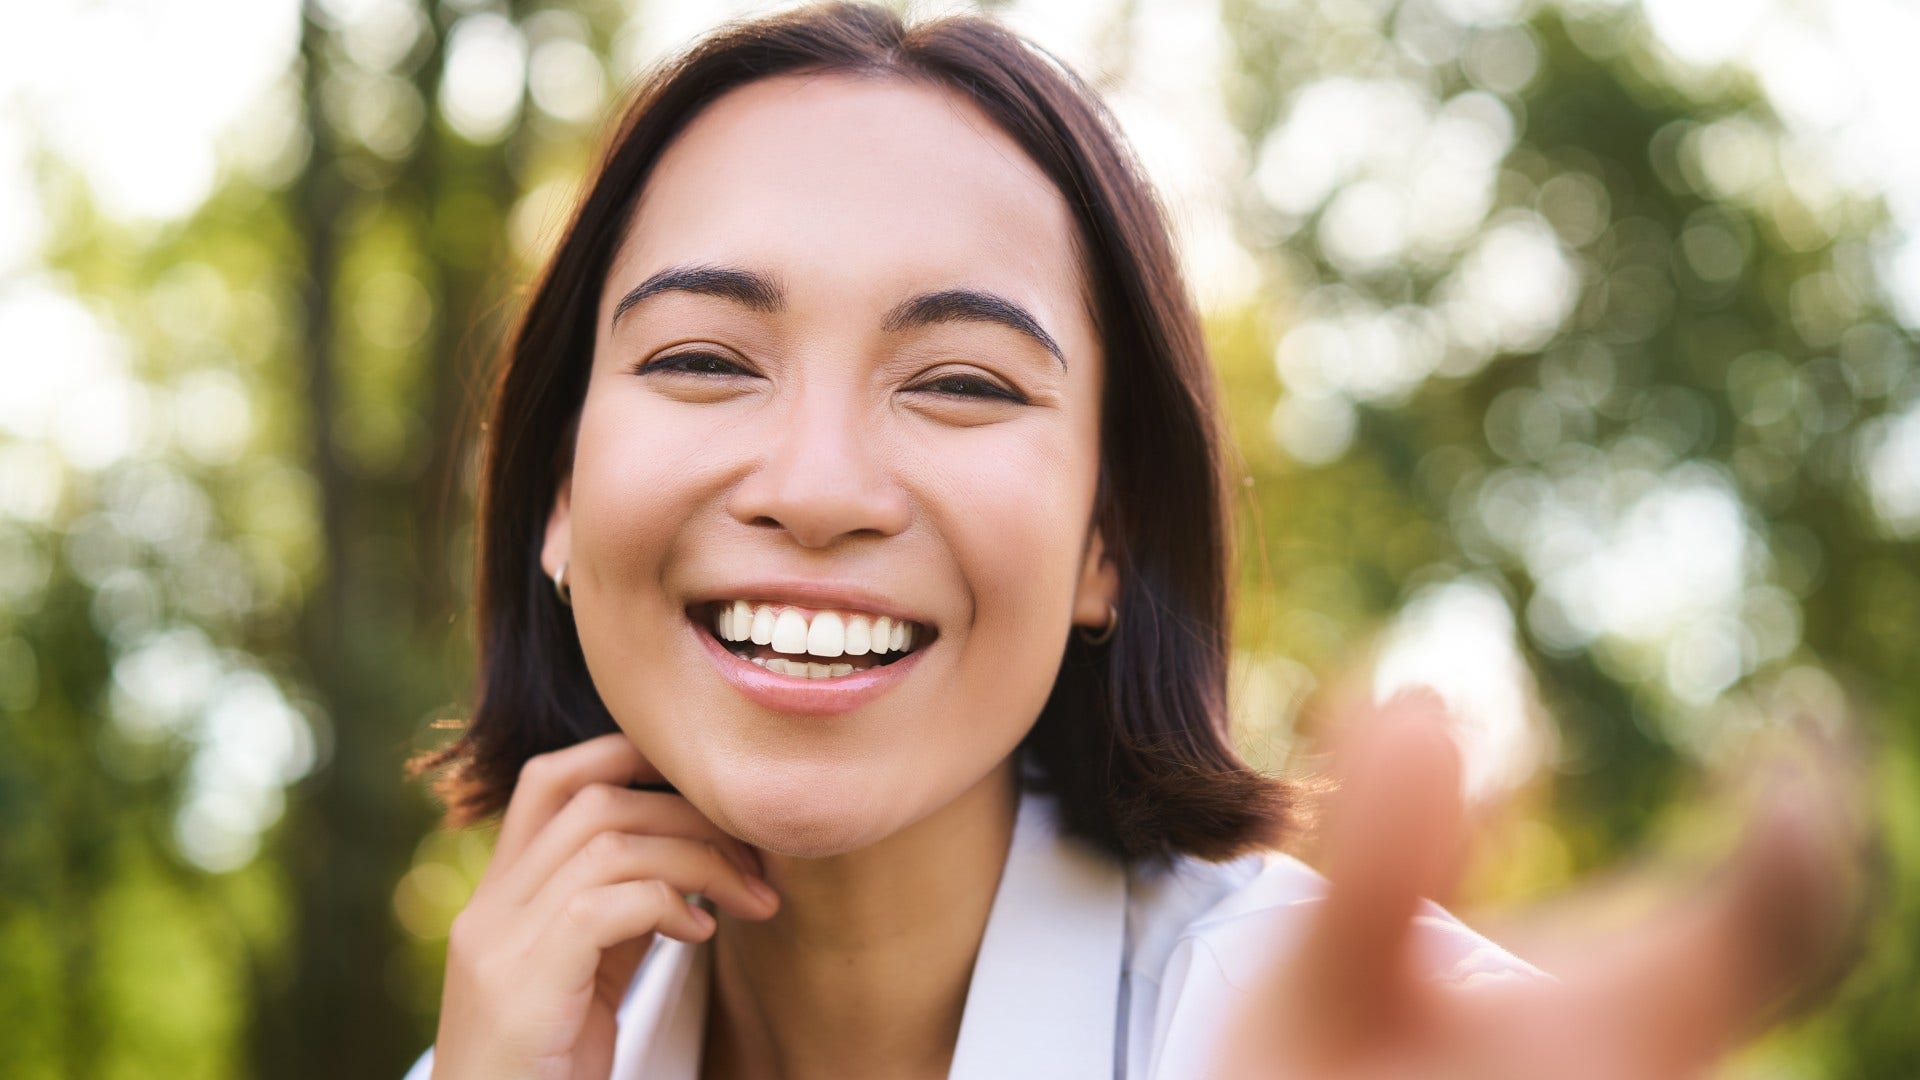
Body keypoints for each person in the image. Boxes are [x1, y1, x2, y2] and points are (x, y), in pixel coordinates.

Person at [401, 4, 1858, 1078]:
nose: (819, 485)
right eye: (703, 361)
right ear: (558, 491)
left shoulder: (1316, 1037)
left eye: (962, 382)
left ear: (1110, 537)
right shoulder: (500, 1056)